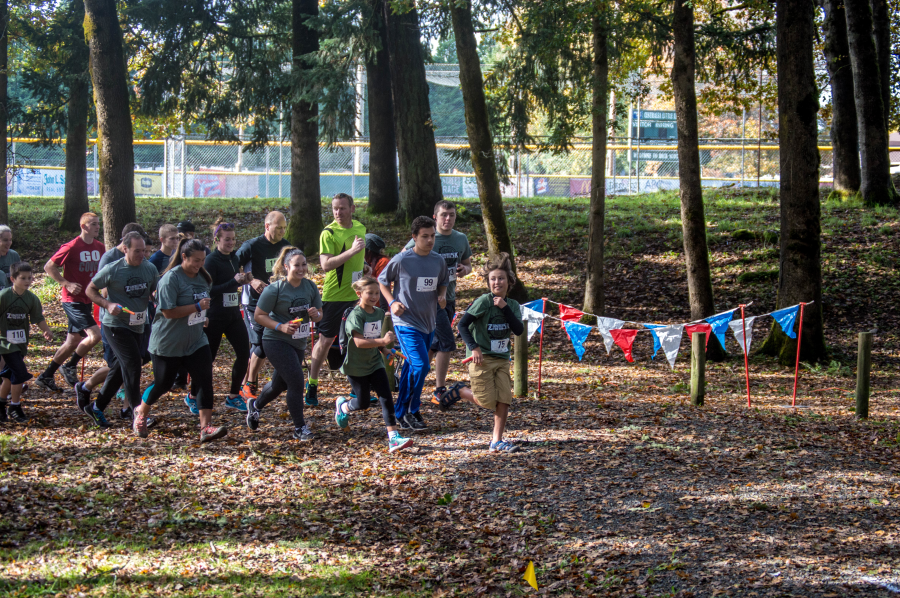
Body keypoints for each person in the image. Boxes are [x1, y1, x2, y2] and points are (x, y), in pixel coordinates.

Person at [132, 238, 227, 443]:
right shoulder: (171, 279)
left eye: (202, 260)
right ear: (183, 257)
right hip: (168, 342)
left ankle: (205, 428)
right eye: (195, 260)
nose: (200, 264)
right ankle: (141, 413)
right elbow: (168, 312)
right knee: (163, 384)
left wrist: (203, 316)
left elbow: (203, 303)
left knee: (204, 381)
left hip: (195, 341)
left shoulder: (203, 277)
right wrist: (197, 308)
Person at [445, 252, 523, 452]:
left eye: (501, 278)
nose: (497, 282)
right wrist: (475, 348)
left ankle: (496, 440)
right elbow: (462, 325)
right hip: (481, 358)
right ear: (488, 282)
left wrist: (505, 308)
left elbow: (518, 330)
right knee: (487, 401)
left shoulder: (512, 305)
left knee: (504, 398)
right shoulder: (483, 301)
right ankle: (460, 391)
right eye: (493, 279)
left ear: (509, 281)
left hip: (502, 358)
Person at [80, 231, 158, 428]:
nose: (142, 254)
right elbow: (90, 290)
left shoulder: (149, 268)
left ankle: (96, 407)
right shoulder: (113, 269)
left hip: (139, 325)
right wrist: (107, 305)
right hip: (115, 325)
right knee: (133, 365)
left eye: (144, 251)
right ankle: (137, 413)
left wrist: (156, 298)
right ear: (125, 249)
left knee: (119, 368)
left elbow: (154, 291)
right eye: (137, 251)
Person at [377, 216, 449, 431]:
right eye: (424, 236)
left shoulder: (438, 260)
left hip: (429, 322)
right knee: (421, 365)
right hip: (406, 322)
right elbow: (382, 281)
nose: (429, 240)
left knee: (412, 366)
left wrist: (442, 296)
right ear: (414, 237)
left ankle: (401, 412)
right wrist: (392, 302)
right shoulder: (402, 260)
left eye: (432, 236)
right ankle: (413, 409)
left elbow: (443, 281)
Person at [245, 247, 322, 440]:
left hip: (297, 342)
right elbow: (259, 315)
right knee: (296, 381)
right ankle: (299, 428)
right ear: (286, 267)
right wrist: (280, 326)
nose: (301, 268)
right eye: (297, 265)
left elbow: (320, 315)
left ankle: (255, 406)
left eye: (304, 264)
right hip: (275, 340)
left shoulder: (310, 287)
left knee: (279, 385)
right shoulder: (275, 289)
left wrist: (315, 315)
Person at [334, 277, 413, 452]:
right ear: (359, 294)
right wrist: (384, 340)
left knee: (386, 397)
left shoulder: (378, 313)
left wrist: (385, 350)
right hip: (355, 366)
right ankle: (343, 407)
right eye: (370, 293)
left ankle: (393, 438)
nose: (374, 296)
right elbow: (359, 342)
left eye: (377, 293)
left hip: (375, 363)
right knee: (363, 403)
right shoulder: (356, 315)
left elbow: (375, 339)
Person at [404, 200, 472, 403]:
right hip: (427, 301)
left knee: (432, 343)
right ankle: (439, 389)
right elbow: (403, 259)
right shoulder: (427, 237)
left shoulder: (460, 239)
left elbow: (468, 265)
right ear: (435, 217)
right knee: (446, 342)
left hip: (448, 298)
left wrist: (464, 270)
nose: (448, 219)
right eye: (443, 215)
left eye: (451, 214)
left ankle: (410, 380)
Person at [305, 194, 366, 407]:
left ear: (352, 208)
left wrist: (363, 265)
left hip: (356, 295)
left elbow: (358, 256)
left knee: (356, 340)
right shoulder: (328, 232)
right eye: (334, 209)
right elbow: (326, 264)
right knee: (325, 340)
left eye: (342, 208)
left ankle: (357, 388)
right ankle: (312, 384)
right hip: (334, 296)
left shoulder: (360, 227)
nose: (338, 213)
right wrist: (352, 251)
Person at [185, 220, 252, 414]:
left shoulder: (233, 258)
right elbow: (208, 290)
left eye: (233, 239)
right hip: (214, 316)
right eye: (227, 239)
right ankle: (192, 395)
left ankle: (233, 396)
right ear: (217, 240)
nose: (231, 243)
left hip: (232, 314)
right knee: (207, 359)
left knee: (244, 353)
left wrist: (244, 280)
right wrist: (233, 282)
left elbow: (233, 283)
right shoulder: (211, 260)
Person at [35, 212, 105, 391]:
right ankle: (70, 365)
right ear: (84, 227)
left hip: (86, 299)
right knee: (95, 335)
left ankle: (46, 376)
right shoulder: (72, 246)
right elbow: (49, 266)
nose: (98, 227)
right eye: (94, 224)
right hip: (71, 300)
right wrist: (65, 283)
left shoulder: (99, 247)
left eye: (98, 224)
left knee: (72, 342)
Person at [234, 211, 290, 401]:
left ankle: (249, 382)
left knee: (269, 342)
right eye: (278, 228)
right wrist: (251, 281)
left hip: (277, 302)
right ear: (267, 226)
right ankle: (248, 384)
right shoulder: (252, 246)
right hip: (253, 302)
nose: (282, 231)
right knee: (260, 343)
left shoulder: (286, 247)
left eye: (284, 228)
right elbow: (233, 266)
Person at [0, 262, 54, 423]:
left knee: (9, 377)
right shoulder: (4, 296)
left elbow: (38, 318)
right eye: (22, 278)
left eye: (30, 278)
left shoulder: (31, 299)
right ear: (12, 279)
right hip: (4, 343)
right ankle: (15, 407)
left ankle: (1, 405)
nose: (27, 281)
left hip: (20, 343)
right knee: (20, 373)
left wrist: (46, 330)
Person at [364, 234, 391, 310]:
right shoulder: (364, 262)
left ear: (368, 250)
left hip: (378, 307)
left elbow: (382, 284)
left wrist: (384, 310)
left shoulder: (383, 262)